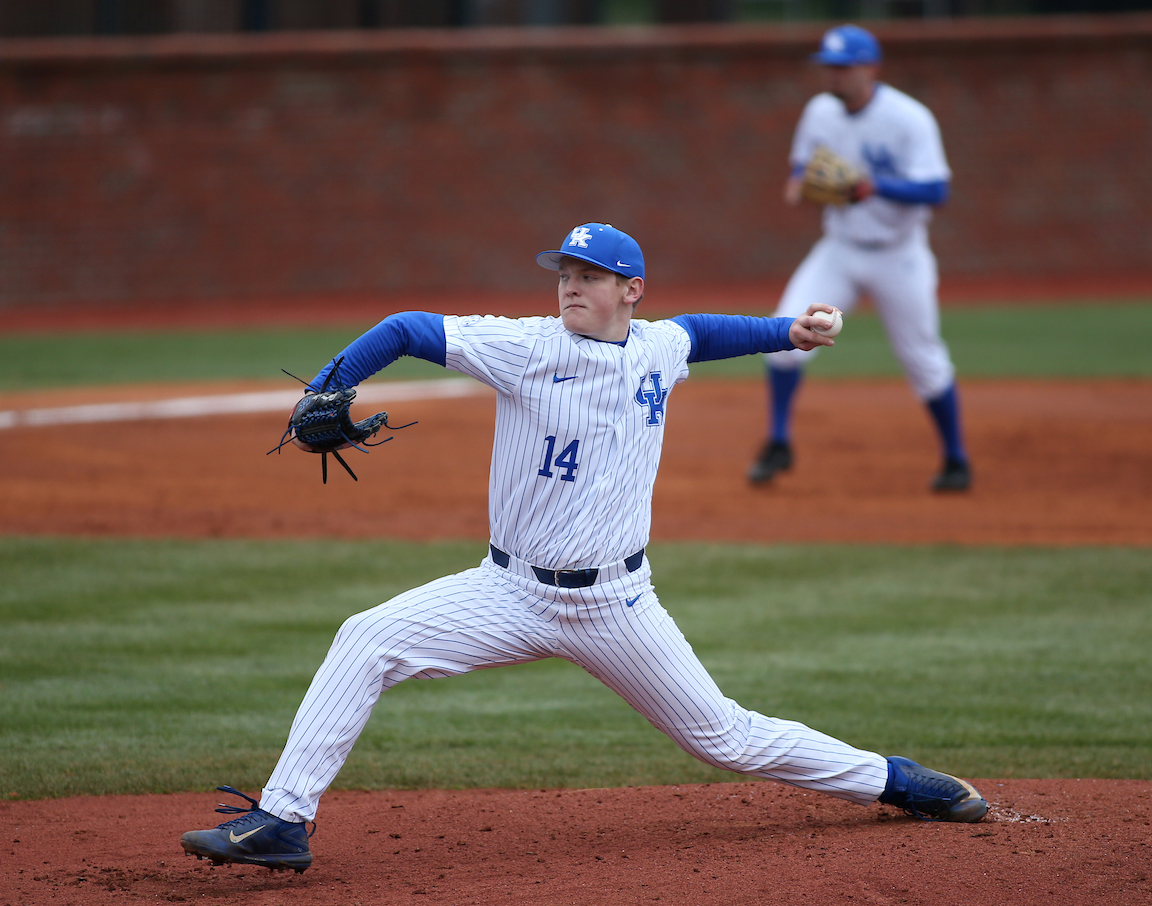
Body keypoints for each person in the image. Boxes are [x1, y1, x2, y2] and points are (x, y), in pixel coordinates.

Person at [181, 222, 987, 873]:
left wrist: (789, 332)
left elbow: (699, 333)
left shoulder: (656, 349)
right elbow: (406, 329)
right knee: (366, 638)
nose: (570, 284)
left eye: (589, 274)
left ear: (630, 291)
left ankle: (896, 780)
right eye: (564, 272)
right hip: (507, 593)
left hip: (617, 604)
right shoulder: (527, 347)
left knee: (725, 737)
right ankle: (283, 821)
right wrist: (331, 385)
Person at [747, 24, 971, 493]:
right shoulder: (819, 112)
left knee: (923, 359)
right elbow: (801, 167)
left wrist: (874, 187)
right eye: (829, 67)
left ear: (871, 68)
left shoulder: (909, 118)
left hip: (900, 254)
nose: (834, 77)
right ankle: (779, 440)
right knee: (783, 329)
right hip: (841, 247)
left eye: (843, 67)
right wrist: (797, 182)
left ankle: (955, 458)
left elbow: (937, 189)